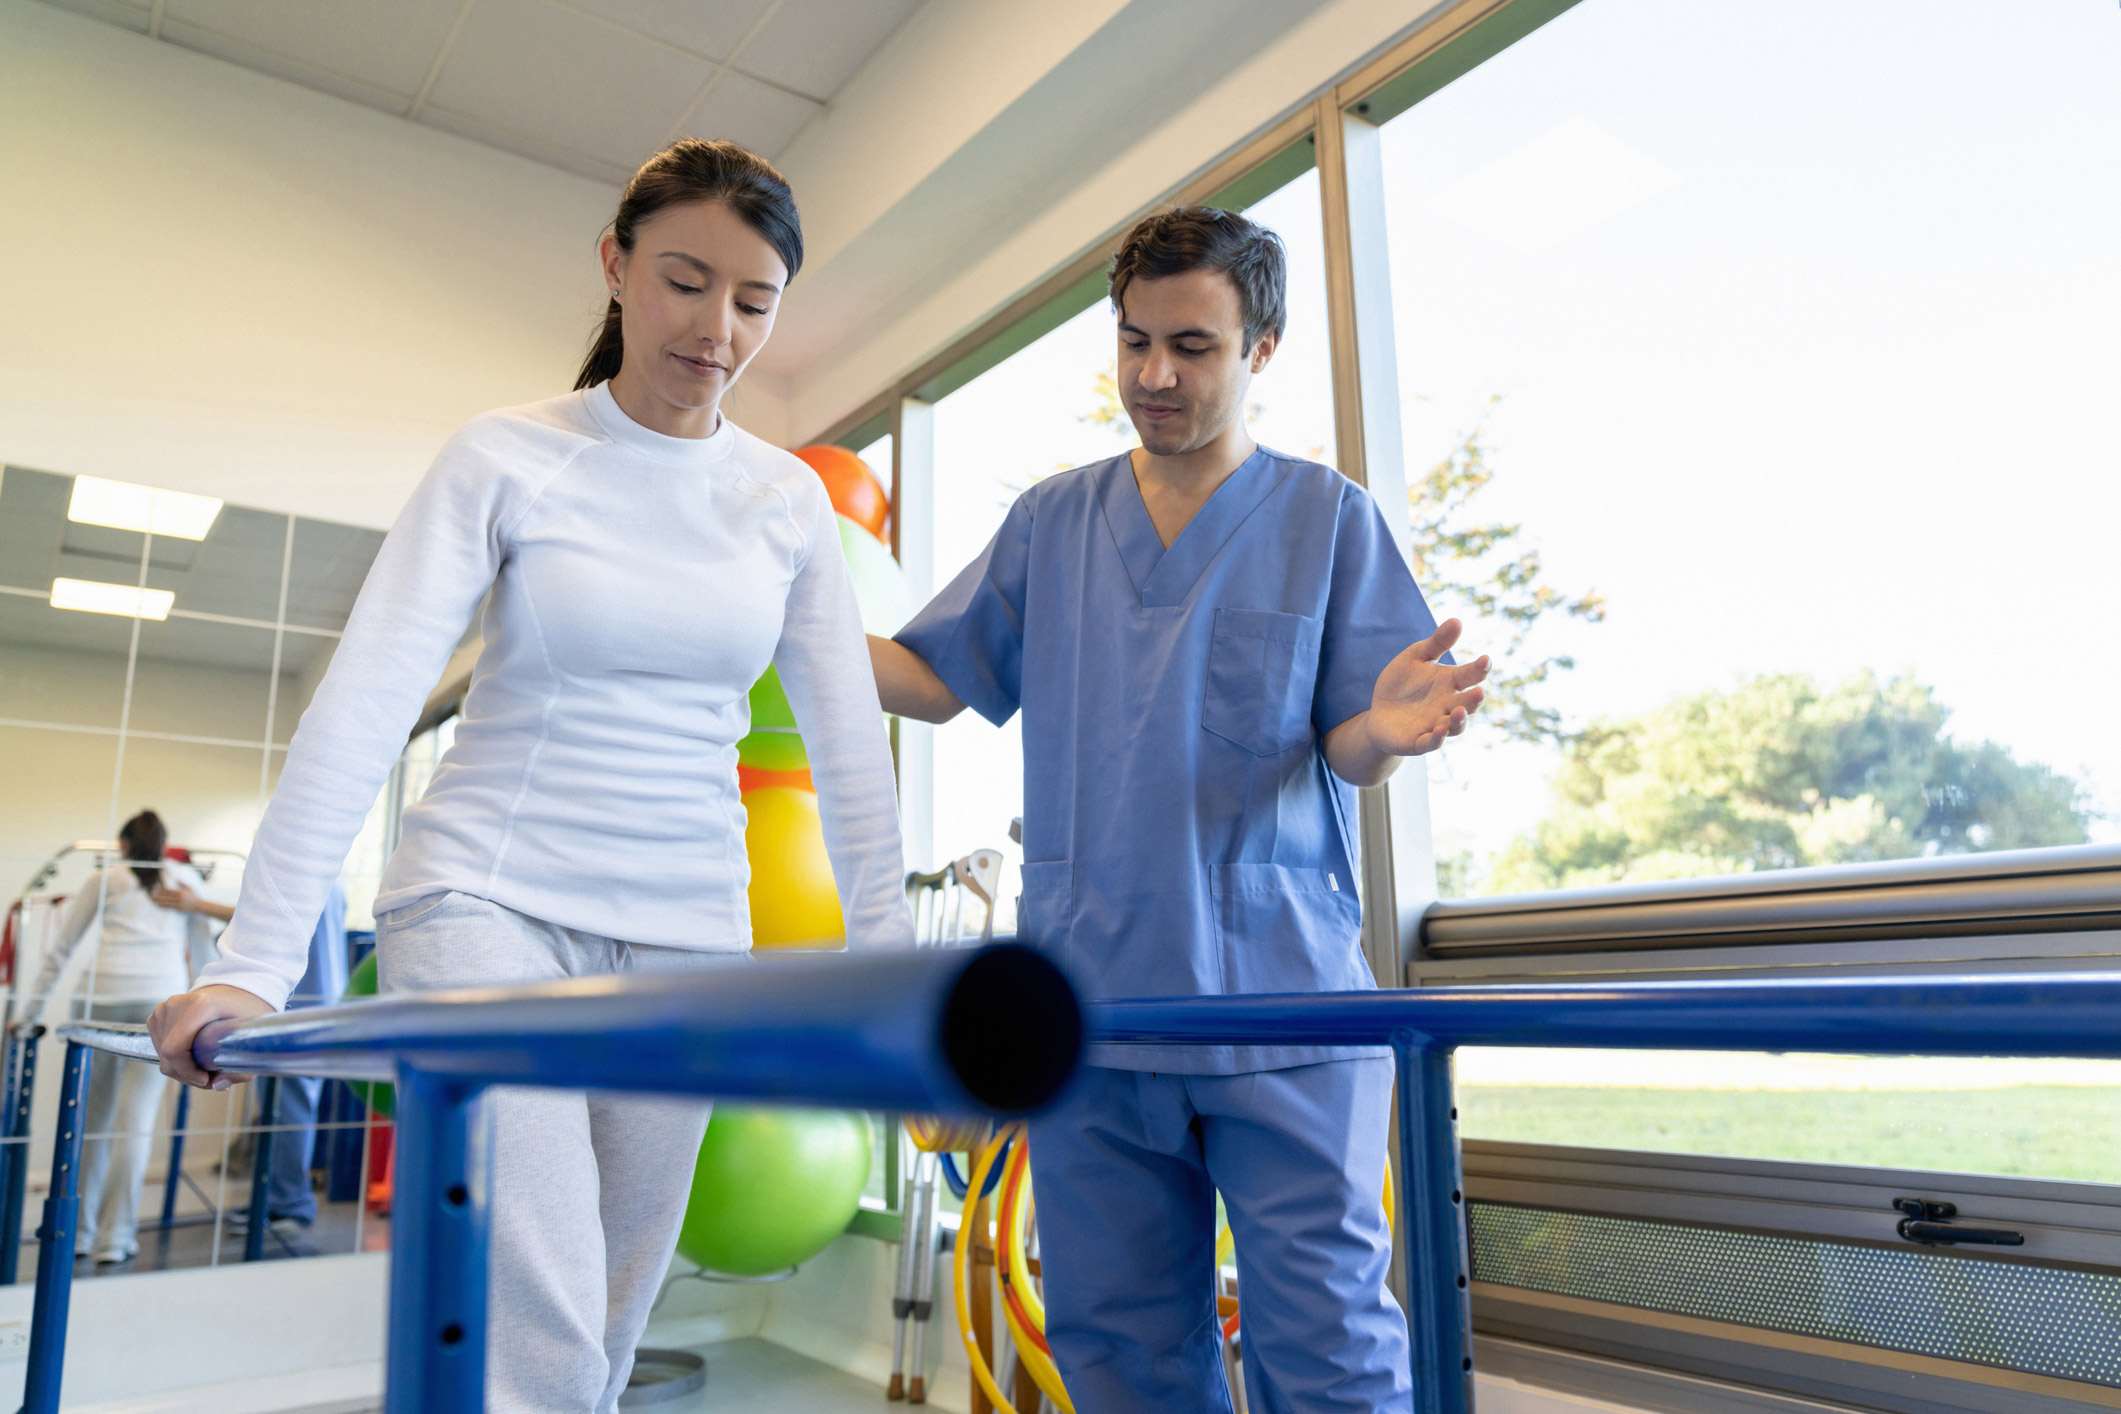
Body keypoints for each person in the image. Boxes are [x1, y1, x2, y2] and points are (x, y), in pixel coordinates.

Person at [149, 139, 914, 1412]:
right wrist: (254, 960)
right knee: (538, 1309)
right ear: (615, 266)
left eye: (754, 301)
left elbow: (849, 753)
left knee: (605, 1322)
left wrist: (893, 977)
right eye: (684, 280)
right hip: (487, 908)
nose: (716, 328)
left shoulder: (784, 503)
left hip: (688, 937)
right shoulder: (507, 456)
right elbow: (368, 702)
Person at [873, 207, 1489, 1412]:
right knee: (1121, 1353)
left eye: (1193, 347)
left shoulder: (1326, 519)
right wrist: (772, 628)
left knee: (1328, 1347)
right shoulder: (1052, 522)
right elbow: (936, 679)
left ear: (1261, 348)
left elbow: (1351, 748)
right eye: (1134, 340)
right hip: (1095, 1012)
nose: (1155, 375)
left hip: (1280, 1008)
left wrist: (1390, 728)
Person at [33, 810, 216, 1266]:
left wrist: (28, 1013)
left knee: (91, 1122)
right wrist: (206, 1017)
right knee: (135, 1123)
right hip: (161, 1003)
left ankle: (78, 1233)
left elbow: (62, 949)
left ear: (124, 844)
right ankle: (114, 1239)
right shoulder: (184, 878)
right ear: (164, 844)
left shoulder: (105, 879)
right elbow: (204, 951)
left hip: (103, 998)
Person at [156, 876, 346, 1228]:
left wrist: (196, 905)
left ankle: (290, 1203)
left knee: (289, 1110)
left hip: (301, 1006)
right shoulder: (328, 880)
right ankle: (276, 1199)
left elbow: (269, 926)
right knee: (282, 1110)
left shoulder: (304, 878)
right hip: (311, 1001)